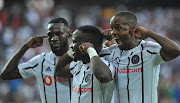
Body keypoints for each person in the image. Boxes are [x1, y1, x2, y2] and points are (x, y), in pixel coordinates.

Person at [101, 11, 180, 103]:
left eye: (118, 28)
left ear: (133, 29)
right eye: (112, 28)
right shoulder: (111, 51)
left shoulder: (149, 50)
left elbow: (175, 51)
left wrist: (150, 33)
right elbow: (88, 56)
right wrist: (102, 42)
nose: (113, 32)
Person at [0, 17, 72, 103]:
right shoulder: (41, 61)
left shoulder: (80, 60)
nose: (54, 38)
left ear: (69, 34)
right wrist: (25, 46)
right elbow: (6, 74)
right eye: (50, 35)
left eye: (58, 34)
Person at [54, 25, 115, 103]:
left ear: (87, 44)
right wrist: (71, 52)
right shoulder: (77, 65)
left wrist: (90, 49)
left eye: (74, 42)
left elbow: (103, 76)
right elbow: (58, 71)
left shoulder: (105, 65)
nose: (71, 46)